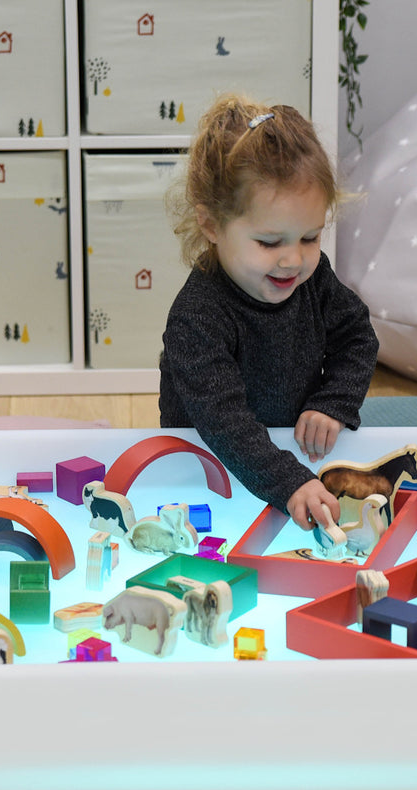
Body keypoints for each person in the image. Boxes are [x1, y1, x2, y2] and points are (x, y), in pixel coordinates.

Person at [159, 94, 379, 531]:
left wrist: (332, 402)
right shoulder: (196, 316)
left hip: (293, 448)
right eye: (269, 242)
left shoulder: (312, 279)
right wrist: (288, 482)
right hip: (207, 468)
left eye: (310, 237)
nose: (293, 261)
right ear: (211, 225)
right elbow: (224, 425)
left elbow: (357, 336)